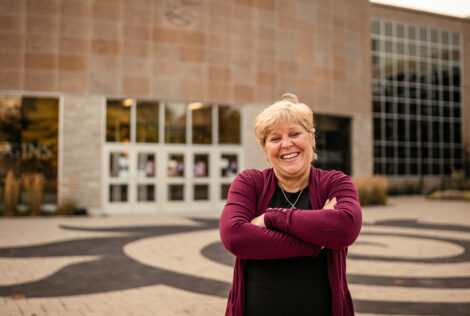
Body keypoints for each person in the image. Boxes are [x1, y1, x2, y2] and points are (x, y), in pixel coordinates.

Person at [219, 93, 362, 316]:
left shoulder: (335, 182)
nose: (286, 144)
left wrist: (271, 218)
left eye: (295, 134)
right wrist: (314, 245)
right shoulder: (250, 183)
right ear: (265, 149)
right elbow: (234, 237)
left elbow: (344, 229)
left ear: (312, 138)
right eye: (274, 139)